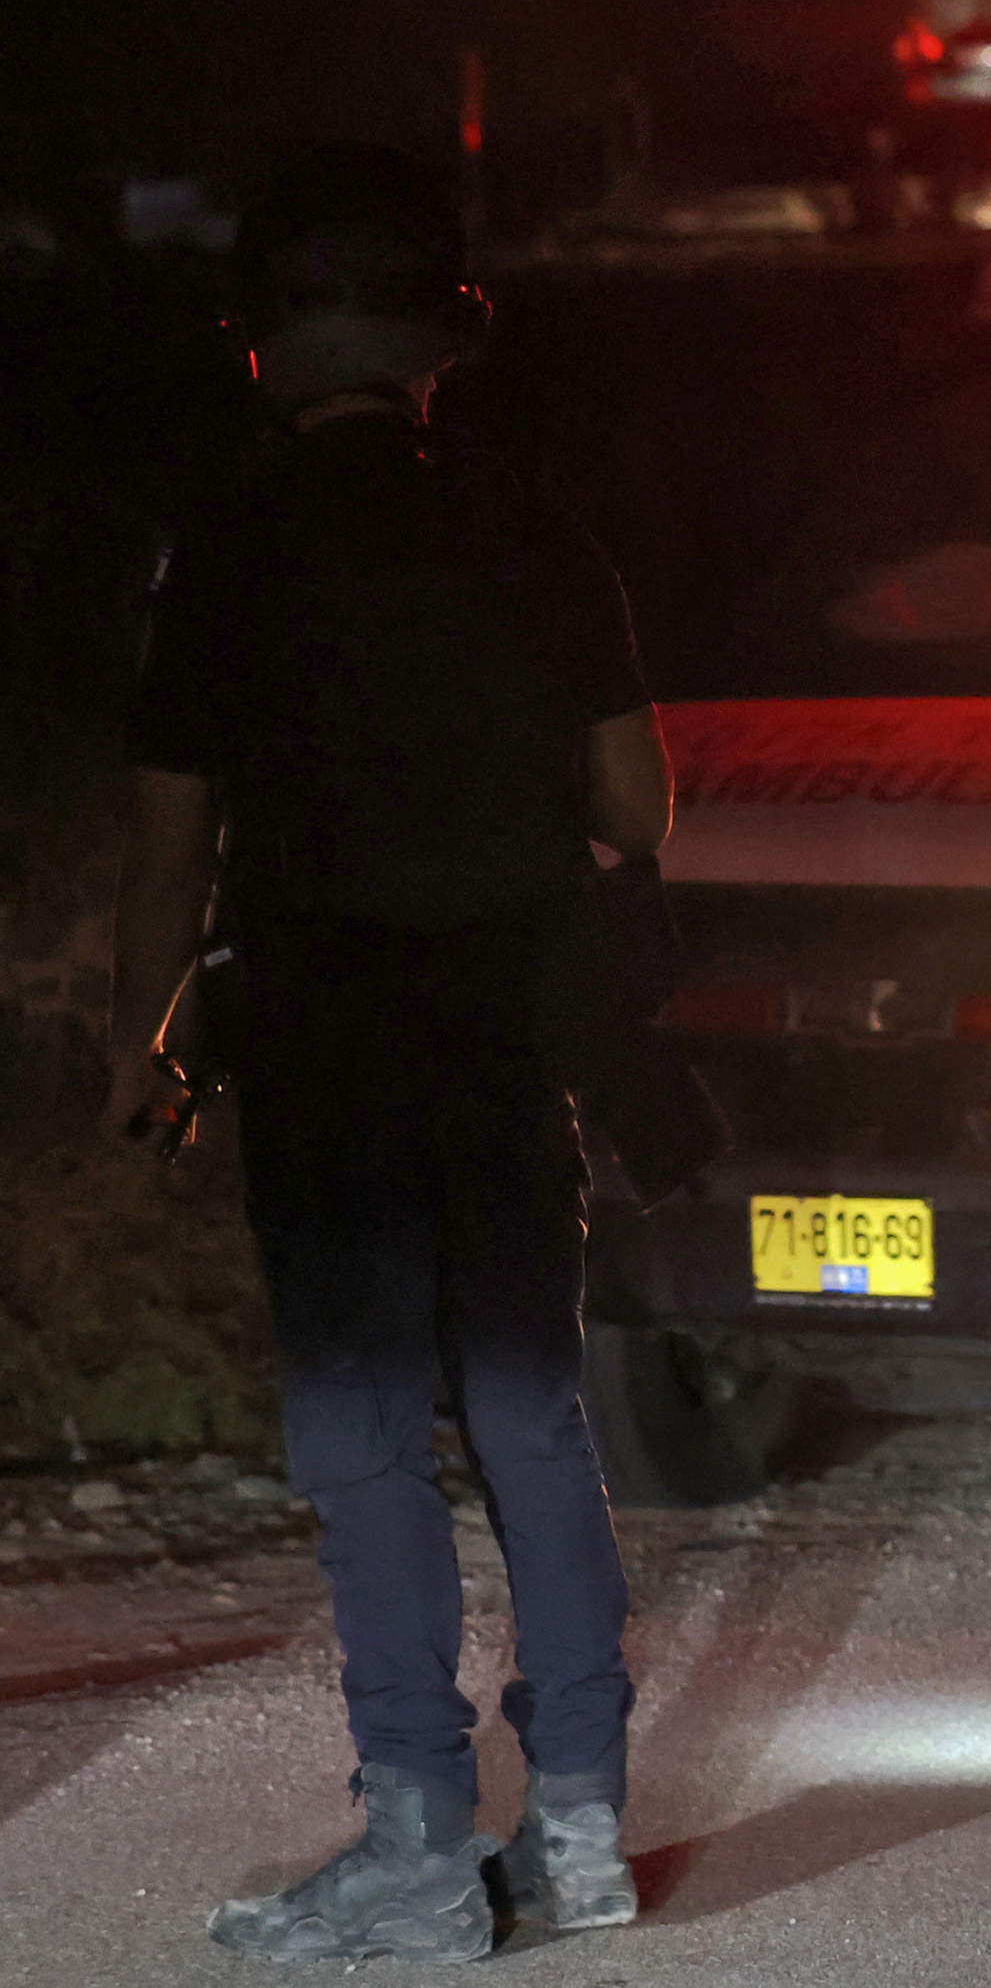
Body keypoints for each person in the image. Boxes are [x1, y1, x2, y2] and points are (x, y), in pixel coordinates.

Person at [106, 146, 664, 1963]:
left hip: (328, 1045)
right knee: (531, 1414)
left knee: (364, 1441)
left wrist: (145, 1037)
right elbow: (634, 801)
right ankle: (580, 1837)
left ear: (263, 350)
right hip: (507, 1037)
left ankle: (421, 1847)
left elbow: (170, 837)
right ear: (445, 349)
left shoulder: (230, 548)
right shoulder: (544, 532)